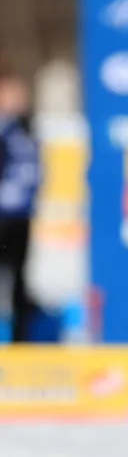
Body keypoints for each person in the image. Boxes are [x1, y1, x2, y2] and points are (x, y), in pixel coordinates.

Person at [0, 68, 40, 343]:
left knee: (19, 280)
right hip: (2, 216)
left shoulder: (26, 128)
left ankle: (19, 341)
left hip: (21, 216)